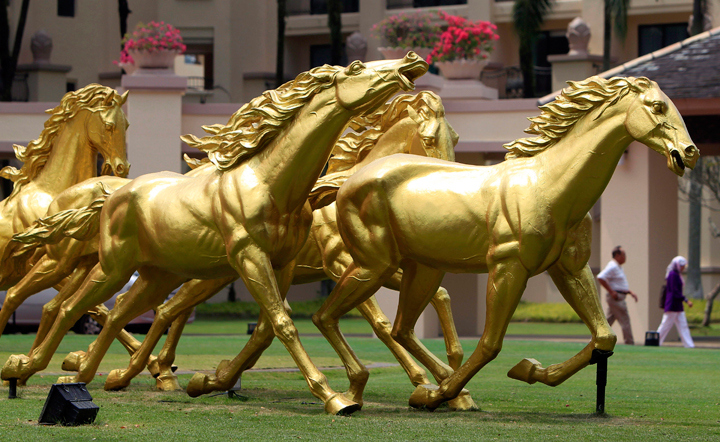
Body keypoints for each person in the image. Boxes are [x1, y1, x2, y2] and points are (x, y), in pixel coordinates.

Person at [597, 245, 638, 345]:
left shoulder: (618, 267)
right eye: (623, 254)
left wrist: (629, 292)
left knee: (607, 322)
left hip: (618, 296)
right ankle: (629, 343)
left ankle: (596, 339)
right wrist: (611, 292)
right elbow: (601, 277)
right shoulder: (613, 266)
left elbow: (619, 284)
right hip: (616, 298)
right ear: (617, 255)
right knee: (625, 320)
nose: (625, 257)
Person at [657, 256, 695, 348]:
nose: (683, 267)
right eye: (681, 265)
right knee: (665, 325)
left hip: (677, 305)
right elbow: (674, 292)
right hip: (672, 304)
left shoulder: (677, 275)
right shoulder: (672, 275)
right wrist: (686, 300)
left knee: (683, 325)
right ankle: (655, 341)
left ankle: (689, 345)